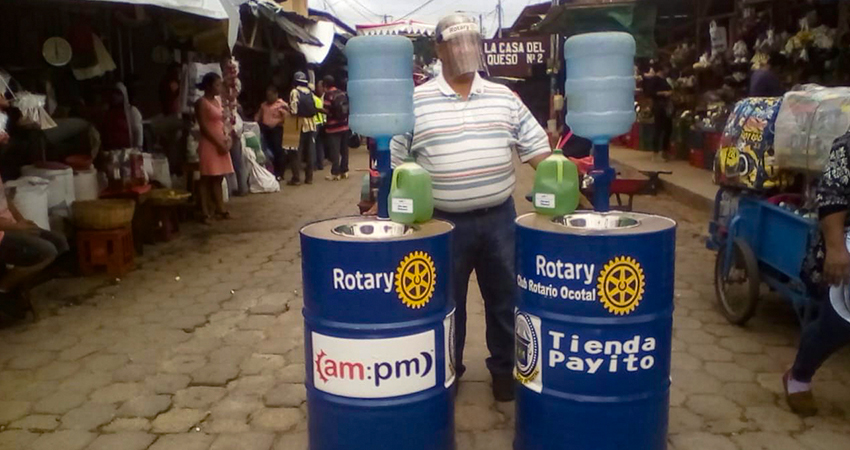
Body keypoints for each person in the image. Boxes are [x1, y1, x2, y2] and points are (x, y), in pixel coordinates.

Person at [389, 14, 552, 402]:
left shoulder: (504, 97)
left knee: (506, 301)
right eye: (455, 42)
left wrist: (563, 181)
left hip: (500, 220)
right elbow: (395, 164)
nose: (464, 49)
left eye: (471, 41)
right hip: (441, 224)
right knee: (447, 305)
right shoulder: (414, 101)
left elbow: (538, 152)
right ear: (439, 49)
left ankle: (506, 377)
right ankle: (448, 374)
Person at [786, 132, 850, 417]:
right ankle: (799, 376)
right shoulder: (846, 145)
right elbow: (832, 197)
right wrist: (836, 248)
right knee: (837, 323)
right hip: (846, 243)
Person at [0, 175, 69, 317]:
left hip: (12, 227)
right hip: (3, 234)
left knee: (60, 242)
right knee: (47, 251)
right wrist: (18, 228)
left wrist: (22, 221)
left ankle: (15, 285)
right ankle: (4, 288)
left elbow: (6, 201)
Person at [194, 73, 233, 223]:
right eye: (217, 84)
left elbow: (223, 121)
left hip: (221, 141)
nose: (220, 87)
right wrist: (218, 142)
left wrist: (227, 139)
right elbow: (203, 126)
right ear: (209, 86)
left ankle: (220, 208)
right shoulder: (201, 103)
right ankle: (205, 212)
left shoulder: (217, 102)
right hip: (210, 143)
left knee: (218, 177)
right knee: (206, 178)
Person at [288, 71, 317, 185]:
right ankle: (309, 178)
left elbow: (294, 110)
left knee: (296, 151)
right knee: (309, 151)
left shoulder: (295, 92)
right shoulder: (309, 92)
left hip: (298, 124)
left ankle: (296, 178)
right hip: (311, 124)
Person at [255, 85, 288, 180]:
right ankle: (270, 172)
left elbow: (287, 118)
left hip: (277, 130)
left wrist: (278, 121)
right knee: (267, 152)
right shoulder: (264, 105)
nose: (268, 97)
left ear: (276, 94)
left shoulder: (281, 104)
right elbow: (258, 116)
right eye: (267, 95)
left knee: (279, 151)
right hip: (265, 130)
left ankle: (279, 173)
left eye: (270, 95)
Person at [323, 75, 351, 181]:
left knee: (335, 151)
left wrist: (317, 109)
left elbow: (327, 110)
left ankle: (335, 173)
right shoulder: (341, 93)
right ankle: (345, 171)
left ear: (325, 85)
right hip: (344, 125)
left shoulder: (328, 95)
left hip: (333, 128)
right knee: (344, 150)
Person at [643, 65, 673, 161]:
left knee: (668, 129)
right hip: (659, 106)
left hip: (666, 107)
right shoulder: (655, 80)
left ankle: (664, 151)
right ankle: (655, 153)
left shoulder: (665, 80)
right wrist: (663, 93)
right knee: (658, 129)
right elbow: (650, 92)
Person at [314, 80, 327, 171]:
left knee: (317, 144)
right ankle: (319, 163)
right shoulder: (317, 98)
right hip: (319, 122)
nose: (317, 89)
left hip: (320, 123)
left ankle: (318, 163)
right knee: (318, 144)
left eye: (319, 87)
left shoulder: (325, 97)